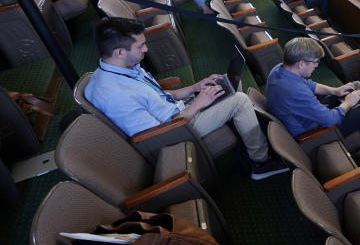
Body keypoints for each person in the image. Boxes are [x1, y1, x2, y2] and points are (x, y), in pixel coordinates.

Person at [84, 17, 288, 180]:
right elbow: (157, 136)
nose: (146, 49)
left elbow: (157, 96)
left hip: (178, 112)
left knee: (227, 85)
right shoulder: (114, 94)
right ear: (119, 52)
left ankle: (247, 139)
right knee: (240, 100)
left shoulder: (124, 68)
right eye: (140, 46)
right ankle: (261, 162)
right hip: (174, 132)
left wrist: (194, 88)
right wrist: (198, 104)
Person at [265, 36, 360, 168]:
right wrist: (348, 103)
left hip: (302, 117)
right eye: (315, 62)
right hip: (313, 134)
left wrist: (335, 91)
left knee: (343, 97)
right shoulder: (295, 90)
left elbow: (310, 85)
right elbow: (330, 120)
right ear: (301, 63)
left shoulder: (279, 69)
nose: (317, 66)